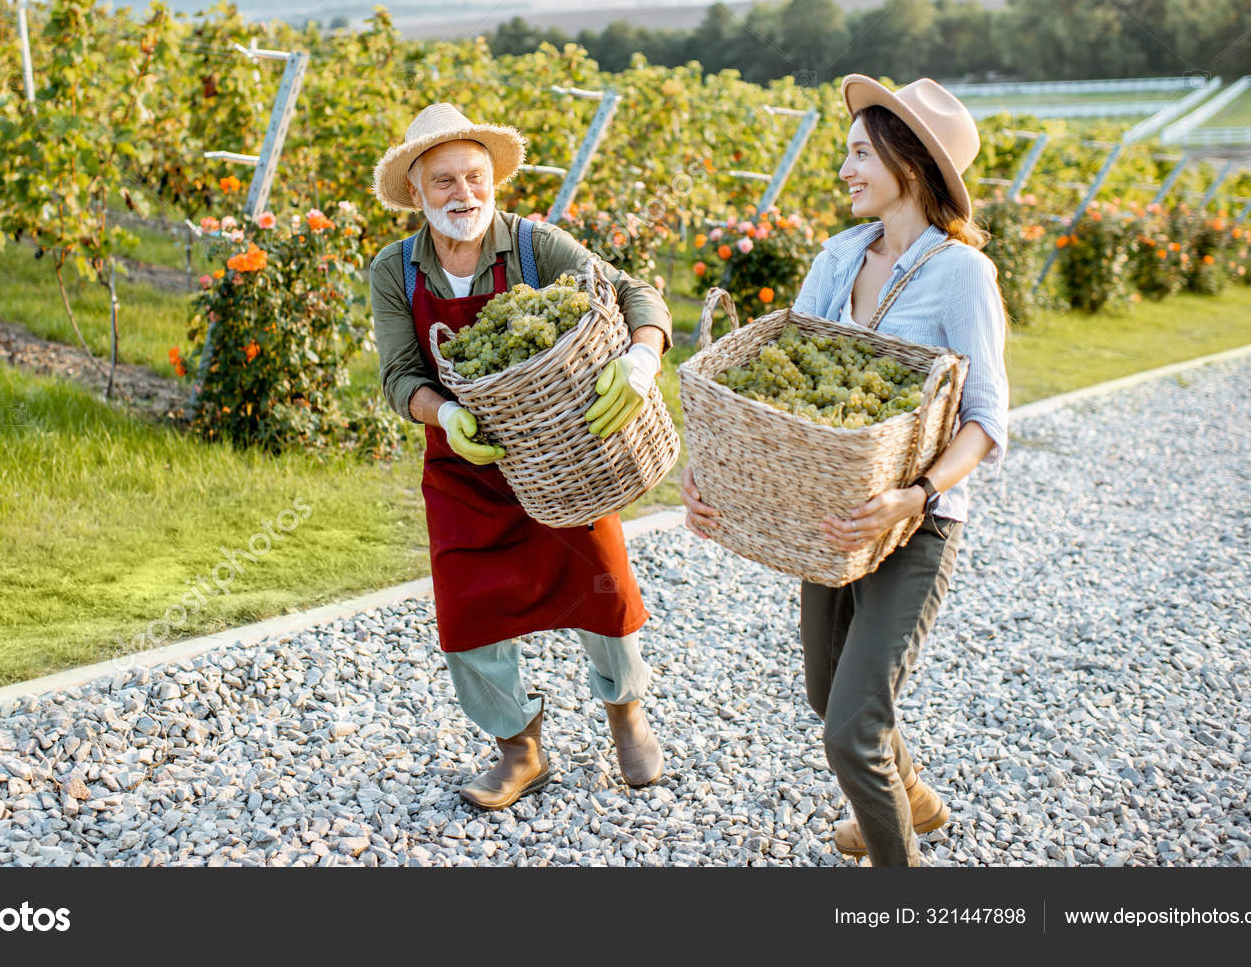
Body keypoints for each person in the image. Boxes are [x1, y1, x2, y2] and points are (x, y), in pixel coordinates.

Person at [680, 75, 1011, 866]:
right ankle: (912, 801)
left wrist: (915, 495)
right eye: (847, 152)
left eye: (861, 153)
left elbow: (988, 421)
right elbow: (774, 393)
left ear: (911, 164)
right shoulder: (837, 257)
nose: (845, 170)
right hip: (836, 521)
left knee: (852, 729)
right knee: (829, 695)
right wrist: (708, 477)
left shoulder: (962, 274)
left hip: (917, 521)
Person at [367, 102, 675, 810]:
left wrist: (639, 361)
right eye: (443, 181)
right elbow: (399, 376)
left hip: (560, 458)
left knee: (604, 581)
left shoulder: (536, 246)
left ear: (492, 181)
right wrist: (443, 412)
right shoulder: (396, 271)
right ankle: (518, 747)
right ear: (417, 192)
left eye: (474, 176)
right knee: (467, 606)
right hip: (463, 466)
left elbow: (634, 293)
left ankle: (627, 714)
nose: (462, 194)